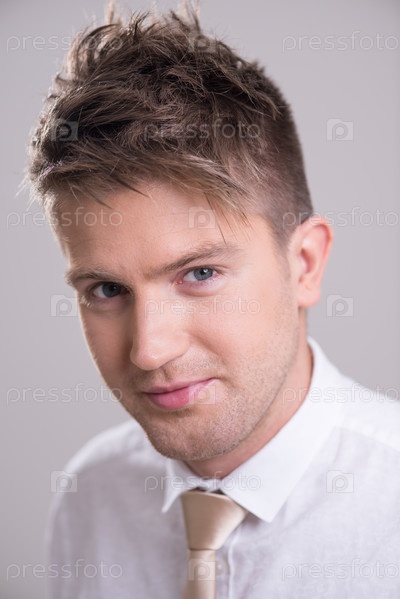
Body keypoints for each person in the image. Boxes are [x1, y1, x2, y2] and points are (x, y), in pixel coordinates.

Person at [27, 3, 400, 598]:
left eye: (199, 274)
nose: (150, 351)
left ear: (304, 264)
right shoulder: (90, 496)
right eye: (107, 290)